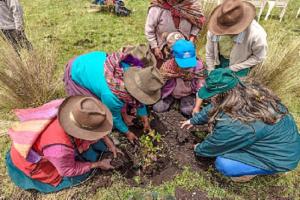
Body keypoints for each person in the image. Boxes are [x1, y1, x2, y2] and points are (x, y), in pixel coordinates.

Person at [181, 68, 300, 182]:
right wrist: (194, 120)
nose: (210, 97)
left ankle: (252, 171)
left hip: (281, 157)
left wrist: (199, 148)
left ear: (223, 94)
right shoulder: (244, 91)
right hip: (278, 140)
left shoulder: (235, 123)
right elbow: (216, 105)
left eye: (212, 94)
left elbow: (216, 144)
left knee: (224, 164)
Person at [6, 96, 122, 193]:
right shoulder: (59, 150)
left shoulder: (72, 110)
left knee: (97, 146)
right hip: (31, 161)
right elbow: (68, 171)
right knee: (80, 175)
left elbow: (93, 124)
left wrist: (109, 143)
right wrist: (98, 164)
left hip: (49, 142)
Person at [63, 51, 165, 143]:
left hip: (94, 62)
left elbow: (140, 94)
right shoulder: (111, 96)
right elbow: (114, 116)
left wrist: (145, 118)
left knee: (116, 102)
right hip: (79, 70)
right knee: (93, 107)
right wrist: (127, 132)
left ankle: (125, 116)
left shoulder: (133, 73)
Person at [192, 0, 268, 115]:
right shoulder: (215, 27)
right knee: (215, 84)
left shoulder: (257, 35)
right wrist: (212, 71)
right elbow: (210, 53)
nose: (224, 32)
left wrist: (232, 68)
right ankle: (212, 105)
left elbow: (258, 57)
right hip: (220, 59)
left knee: (233, 91)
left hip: (241, 63)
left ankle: (226, 111)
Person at [154, 39, 205, 116]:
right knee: (157, 108)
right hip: (170, 93)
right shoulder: (168, 67)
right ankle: (172, 100)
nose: (187, 66)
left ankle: (183, 101)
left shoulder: (198, 67)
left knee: (188, 111)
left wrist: (197, 107)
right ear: (175, 58)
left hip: (188, 93)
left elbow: (201, 88)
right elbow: (159, 83)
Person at [145, 0, 205, 66]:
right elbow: (149, 30)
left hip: (184, 50)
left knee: (186, 71)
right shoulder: (157, 8)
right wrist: (155, 47)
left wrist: (192, 38)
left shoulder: (191, 5)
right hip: (161, 50)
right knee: (162, 71)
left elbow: (197, 22)